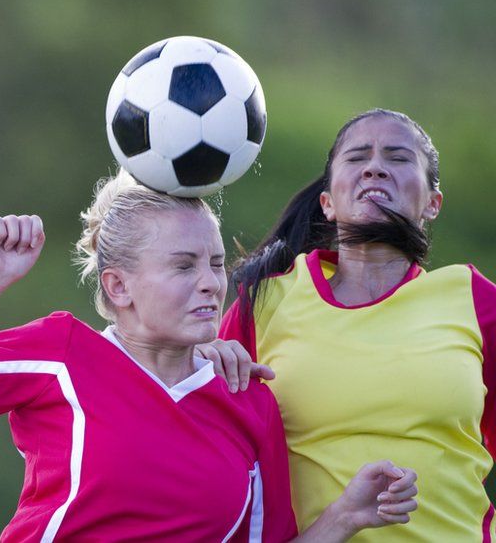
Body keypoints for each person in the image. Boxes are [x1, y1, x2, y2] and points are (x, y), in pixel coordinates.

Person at [0, 170, 418, 542]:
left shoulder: (248, 400)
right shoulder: (61, 353)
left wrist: (346, 516)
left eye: (216, 264)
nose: (213, 283)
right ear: (118, 287)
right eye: (183, 266)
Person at [204, 108, 495, 541]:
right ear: (328, 202)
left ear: (433, 203)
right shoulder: (263, 303)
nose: (375, 167)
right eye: (358, 157)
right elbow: (203, 438)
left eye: (398, 158)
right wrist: (204, 359)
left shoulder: (477, 300)